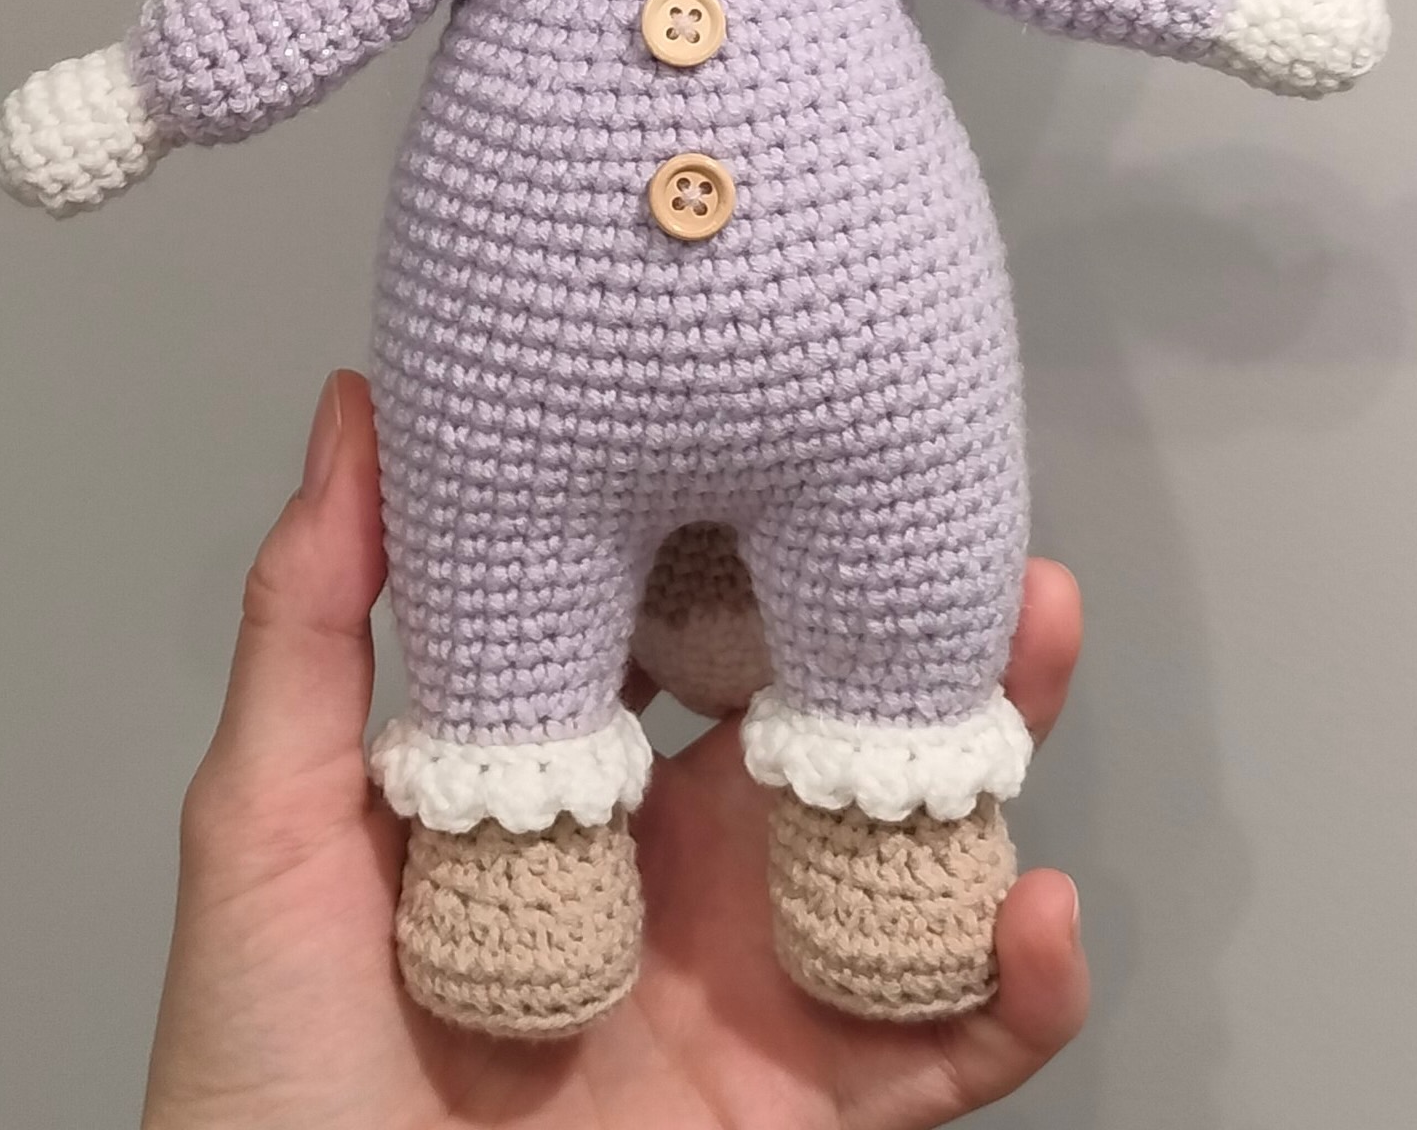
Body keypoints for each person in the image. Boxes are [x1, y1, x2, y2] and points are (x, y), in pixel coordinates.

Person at [143, 371, 1089, 1130]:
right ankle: (509, 855)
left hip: (610, 358)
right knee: (504, 625)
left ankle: (895, 821)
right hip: (530, 377)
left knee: (906, 572)